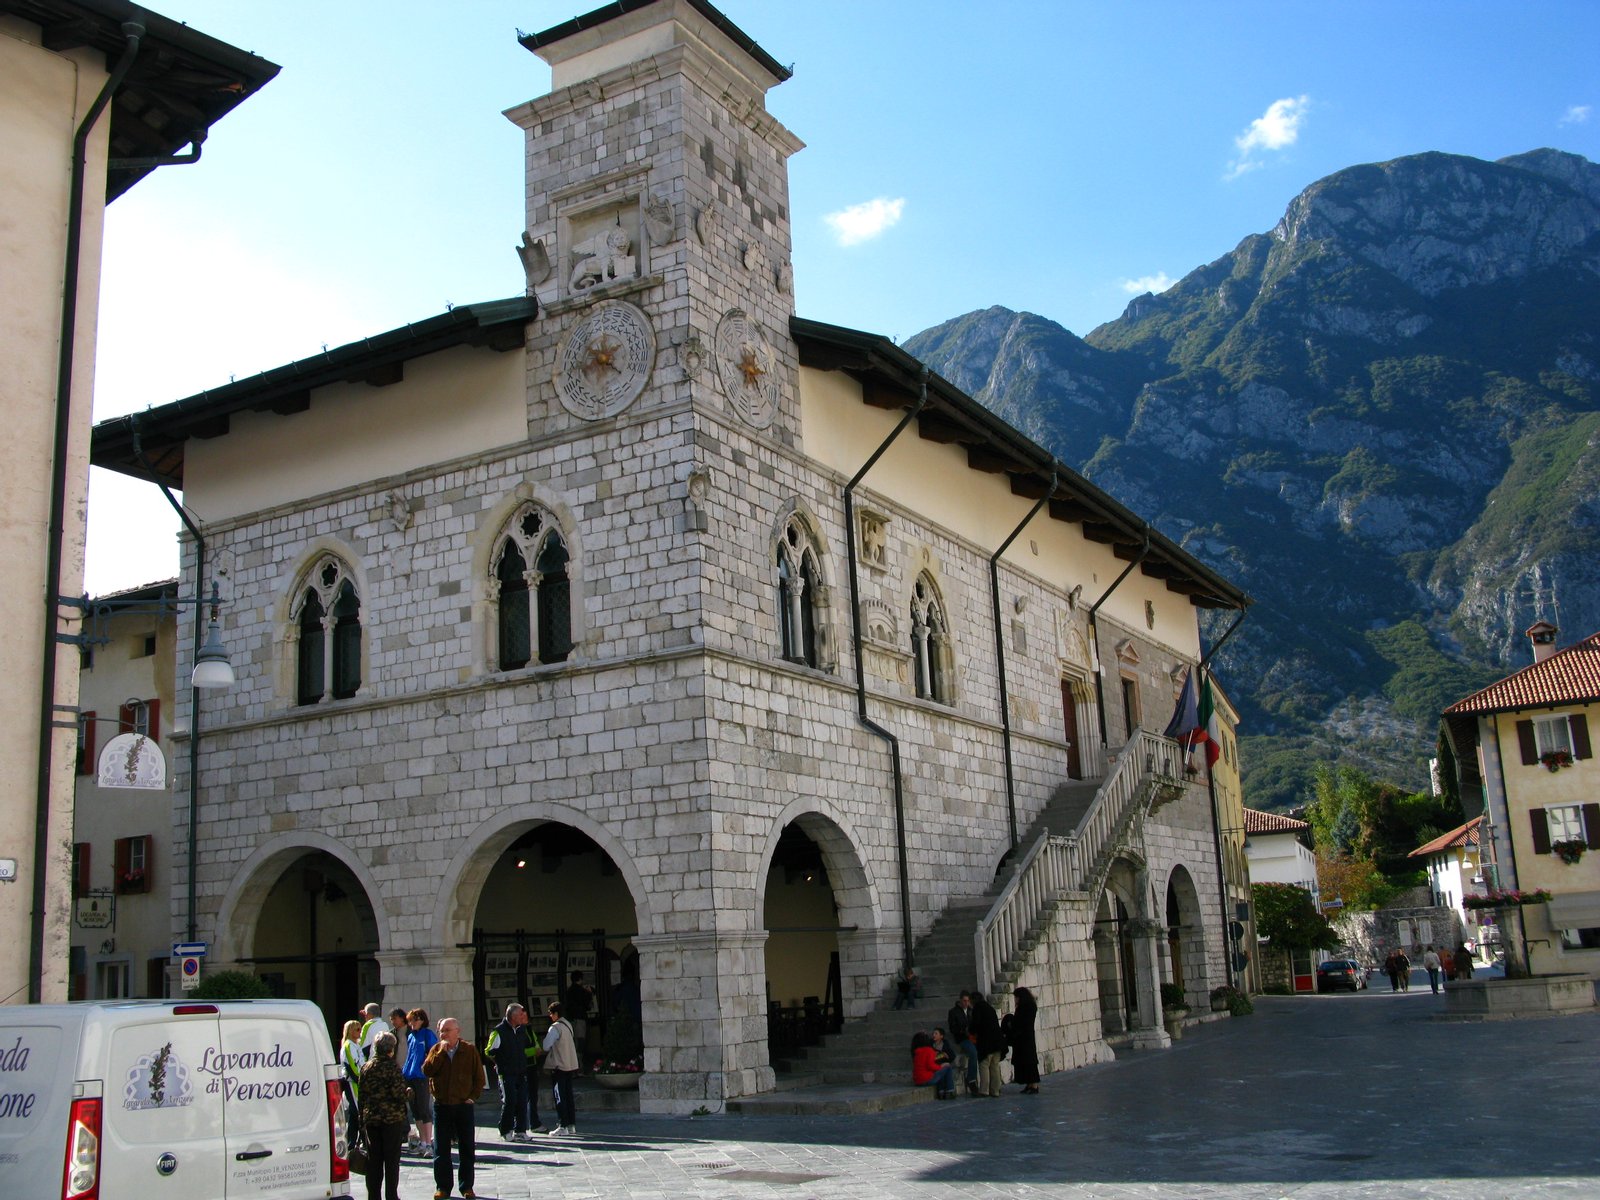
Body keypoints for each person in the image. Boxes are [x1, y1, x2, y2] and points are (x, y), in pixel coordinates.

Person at [422, 1016, 485, 1200]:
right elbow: (427, 1071)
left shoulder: (469, 1050)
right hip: (442, 1105)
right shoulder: (436, 1049)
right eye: (441, 1030)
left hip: (462, 1105)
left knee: (466, 1148)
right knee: (441, 1149)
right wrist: (440, 1053)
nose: (444, 1034)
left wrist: (472, 1097)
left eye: (447, 1030)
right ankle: (443, 1187)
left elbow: (479, 1077)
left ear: (458, 1031)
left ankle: (467, 1186)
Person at [359, 1031, 408, 1200]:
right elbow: (398, 1094)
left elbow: (362, 1095)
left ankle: (373, 1196)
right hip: (391, 1119)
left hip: (371, 1118)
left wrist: (361, 1120)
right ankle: (391, 1196)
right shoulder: (392, 1067)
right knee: (391, 1160)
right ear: (391, 1049)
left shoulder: (366, 1067)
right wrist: (408, 1093)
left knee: (374, 1160)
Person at [485, 1002, 538, 1142]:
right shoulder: (499, 1031)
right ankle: (505, 1129)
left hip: (521, 1071)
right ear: (513, 1016)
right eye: (521, 1014)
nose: (523, 1016)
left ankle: (521, 1130)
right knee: (510, 1101)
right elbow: (489, 1051)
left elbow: (527, 1047)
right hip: (506, 1073)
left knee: (522, 1100)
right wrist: (499, 1063)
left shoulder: (521, 1030)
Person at [402, 1008, 438, 1158]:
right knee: (415, 1110)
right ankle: (423, 1142)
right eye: (410, 1021)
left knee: (424, 1109)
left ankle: (429, 1143)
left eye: (414, 1020)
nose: (412, 1023)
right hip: (410, 1075)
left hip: (422, 1077)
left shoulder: (428, 1034)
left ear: (422, 1020)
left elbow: (433, 1054)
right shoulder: (411, 1036)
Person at [543, 1000, 581, 1135]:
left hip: (559, 1065)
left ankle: (562, 1125)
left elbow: (546, 1045)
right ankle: (571, 1124)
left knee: (560, 1096)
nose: (550, 1016)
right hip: (569, 1064)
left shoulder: (555, 1027)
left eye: (551, 1013)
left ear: (556, 1013)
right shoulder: (568, 1024)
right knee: (568, 1095)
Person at [969, 989, 1005, 1098]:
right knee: (994, 1066)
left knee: (984, 1065)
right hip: (997, 1041)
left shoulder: (977, 1009)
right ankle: (995, 1091)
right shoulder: (989, 1008)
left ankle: (984, 1090)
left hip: (986, 1042)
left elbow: (976, 1024)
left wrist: (971, 1030)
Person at [1008, 986, 1041, 1094]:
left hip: (1025, 1038)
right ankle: (1029, 1084)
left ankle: (1034, 1085)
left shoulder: (1026, 1007)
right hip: (1024, 1037)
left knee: (1029, 1061)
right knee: (1025, 1061)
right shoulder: (1028, 1006)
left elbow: (1021, 1022)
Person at [946, 991, 979, 1096]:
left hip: (973, 1036)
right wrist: (963, 1030)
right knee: (973, 1052)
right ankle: (971, 1080)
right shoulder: (953, 1012)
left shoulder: (971, 1010)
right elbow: (953, 1028)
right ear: (960, 1000)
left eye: (968, 1001)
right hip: (963, 1038)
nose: (966, 1003)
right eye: (964, 1001)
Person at [910, 1030, 956, 1098]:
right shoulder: (928, 1050)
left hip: (917, 1080)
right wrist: (941, 1066)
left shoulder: (916, 1052)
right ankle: (950, 1091)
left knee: (940, 1071)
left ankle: (941, 1092)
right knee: (947, 1067)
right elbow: (931, 1066)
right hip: (926, 1080)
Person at [564, 971, 594, 1054]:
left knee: (573, 1040)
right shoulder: (583, 991)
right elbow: (588, 1005)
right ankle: (579, 1059)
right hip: (580, 1018)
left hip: (570, 1018)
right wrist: (590, 993)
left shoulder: (569, 991)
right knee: (581, 1040)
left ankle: (573, 1058)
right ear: (580, 979)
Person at [339, 1019, 365, 1115]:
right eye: (357, 1029)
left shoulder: (356, 1044)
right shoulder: (348, 1045)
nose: (360, 1031)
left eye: (360, 1029)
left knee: (357, 1110)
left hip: (357, 1080)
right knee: (355, 1110)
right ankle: (353, 1130)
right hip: (352, 1081)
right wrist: (359, 1079)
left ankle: (355, 1130)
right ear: (351, 1031)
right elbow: (350, 1066)